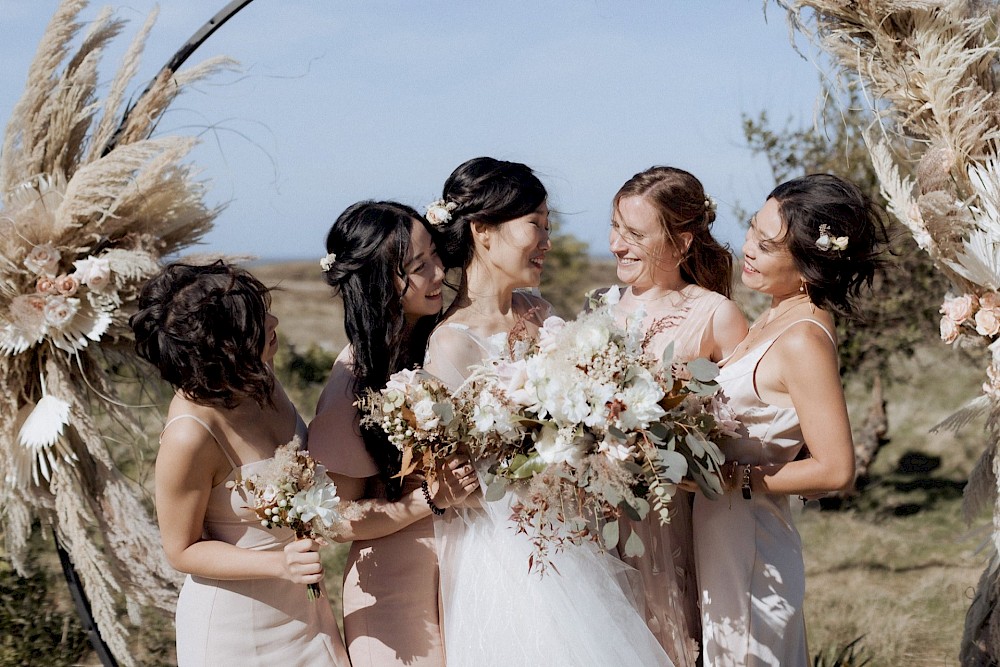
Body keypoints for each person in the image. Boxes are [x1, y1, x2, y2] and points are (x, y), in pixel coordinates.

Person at [423, 156, 673, 666]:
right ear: (483, 232)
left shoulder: (538, 312)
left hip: (572, 532)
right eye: (535, 225)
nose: (547, 241)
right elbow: (464, 478)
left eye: (548, 226)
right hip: (508, 550)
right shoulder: (450, 344)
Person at [693, 174, 887, 665]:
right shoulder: (772, 313)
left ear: (809, 260)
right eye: (752, 231)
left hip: (751, 546)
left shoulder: (802, 339)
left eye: (767, 244)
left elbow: (836, 469)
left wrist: (733, 477)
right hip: (720, 531)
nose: (748, 249)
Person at [130, 261, 349, 666]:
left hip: (306, 612)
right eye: (255, 320)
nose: (274, 319)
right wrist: (277, 562)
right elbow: (181, 550)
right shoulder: (189, 434)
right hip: (236, 631)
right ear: (224, 344)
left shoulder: (260, 379)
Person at [308, 201, 479, 667]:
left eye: (436, 257)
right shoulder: (352, 386)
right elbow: (335, 520)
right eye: (418, 267)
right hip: (394, 599)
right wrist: (429, 499)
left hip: (458, 576)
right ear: (379, 283)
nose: (439, 272)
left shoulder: (434, 342)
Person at [598, 166, 748, 665]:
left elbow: (739, 428)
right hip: (596, 521)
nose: (617, 245)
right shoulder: (600, 311)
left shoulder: (715, 315)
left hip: (672, 521)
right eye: (616, 227)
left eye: (635, 234)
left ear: (682, 242)